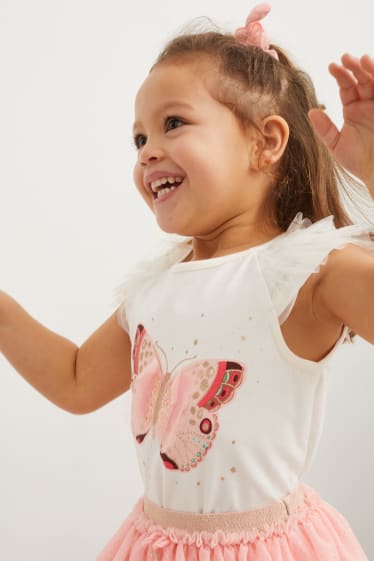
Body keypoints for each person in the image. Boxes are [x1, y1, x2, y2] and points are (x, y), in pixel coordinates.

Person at [1, 3, 374, 560]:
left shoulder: (310, 272)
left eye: (173, 123)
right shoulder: (154, 288)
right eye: (138, 138)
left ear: (266, 142)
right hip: (157, 544)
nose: (148, 150)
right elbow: (77, 379)